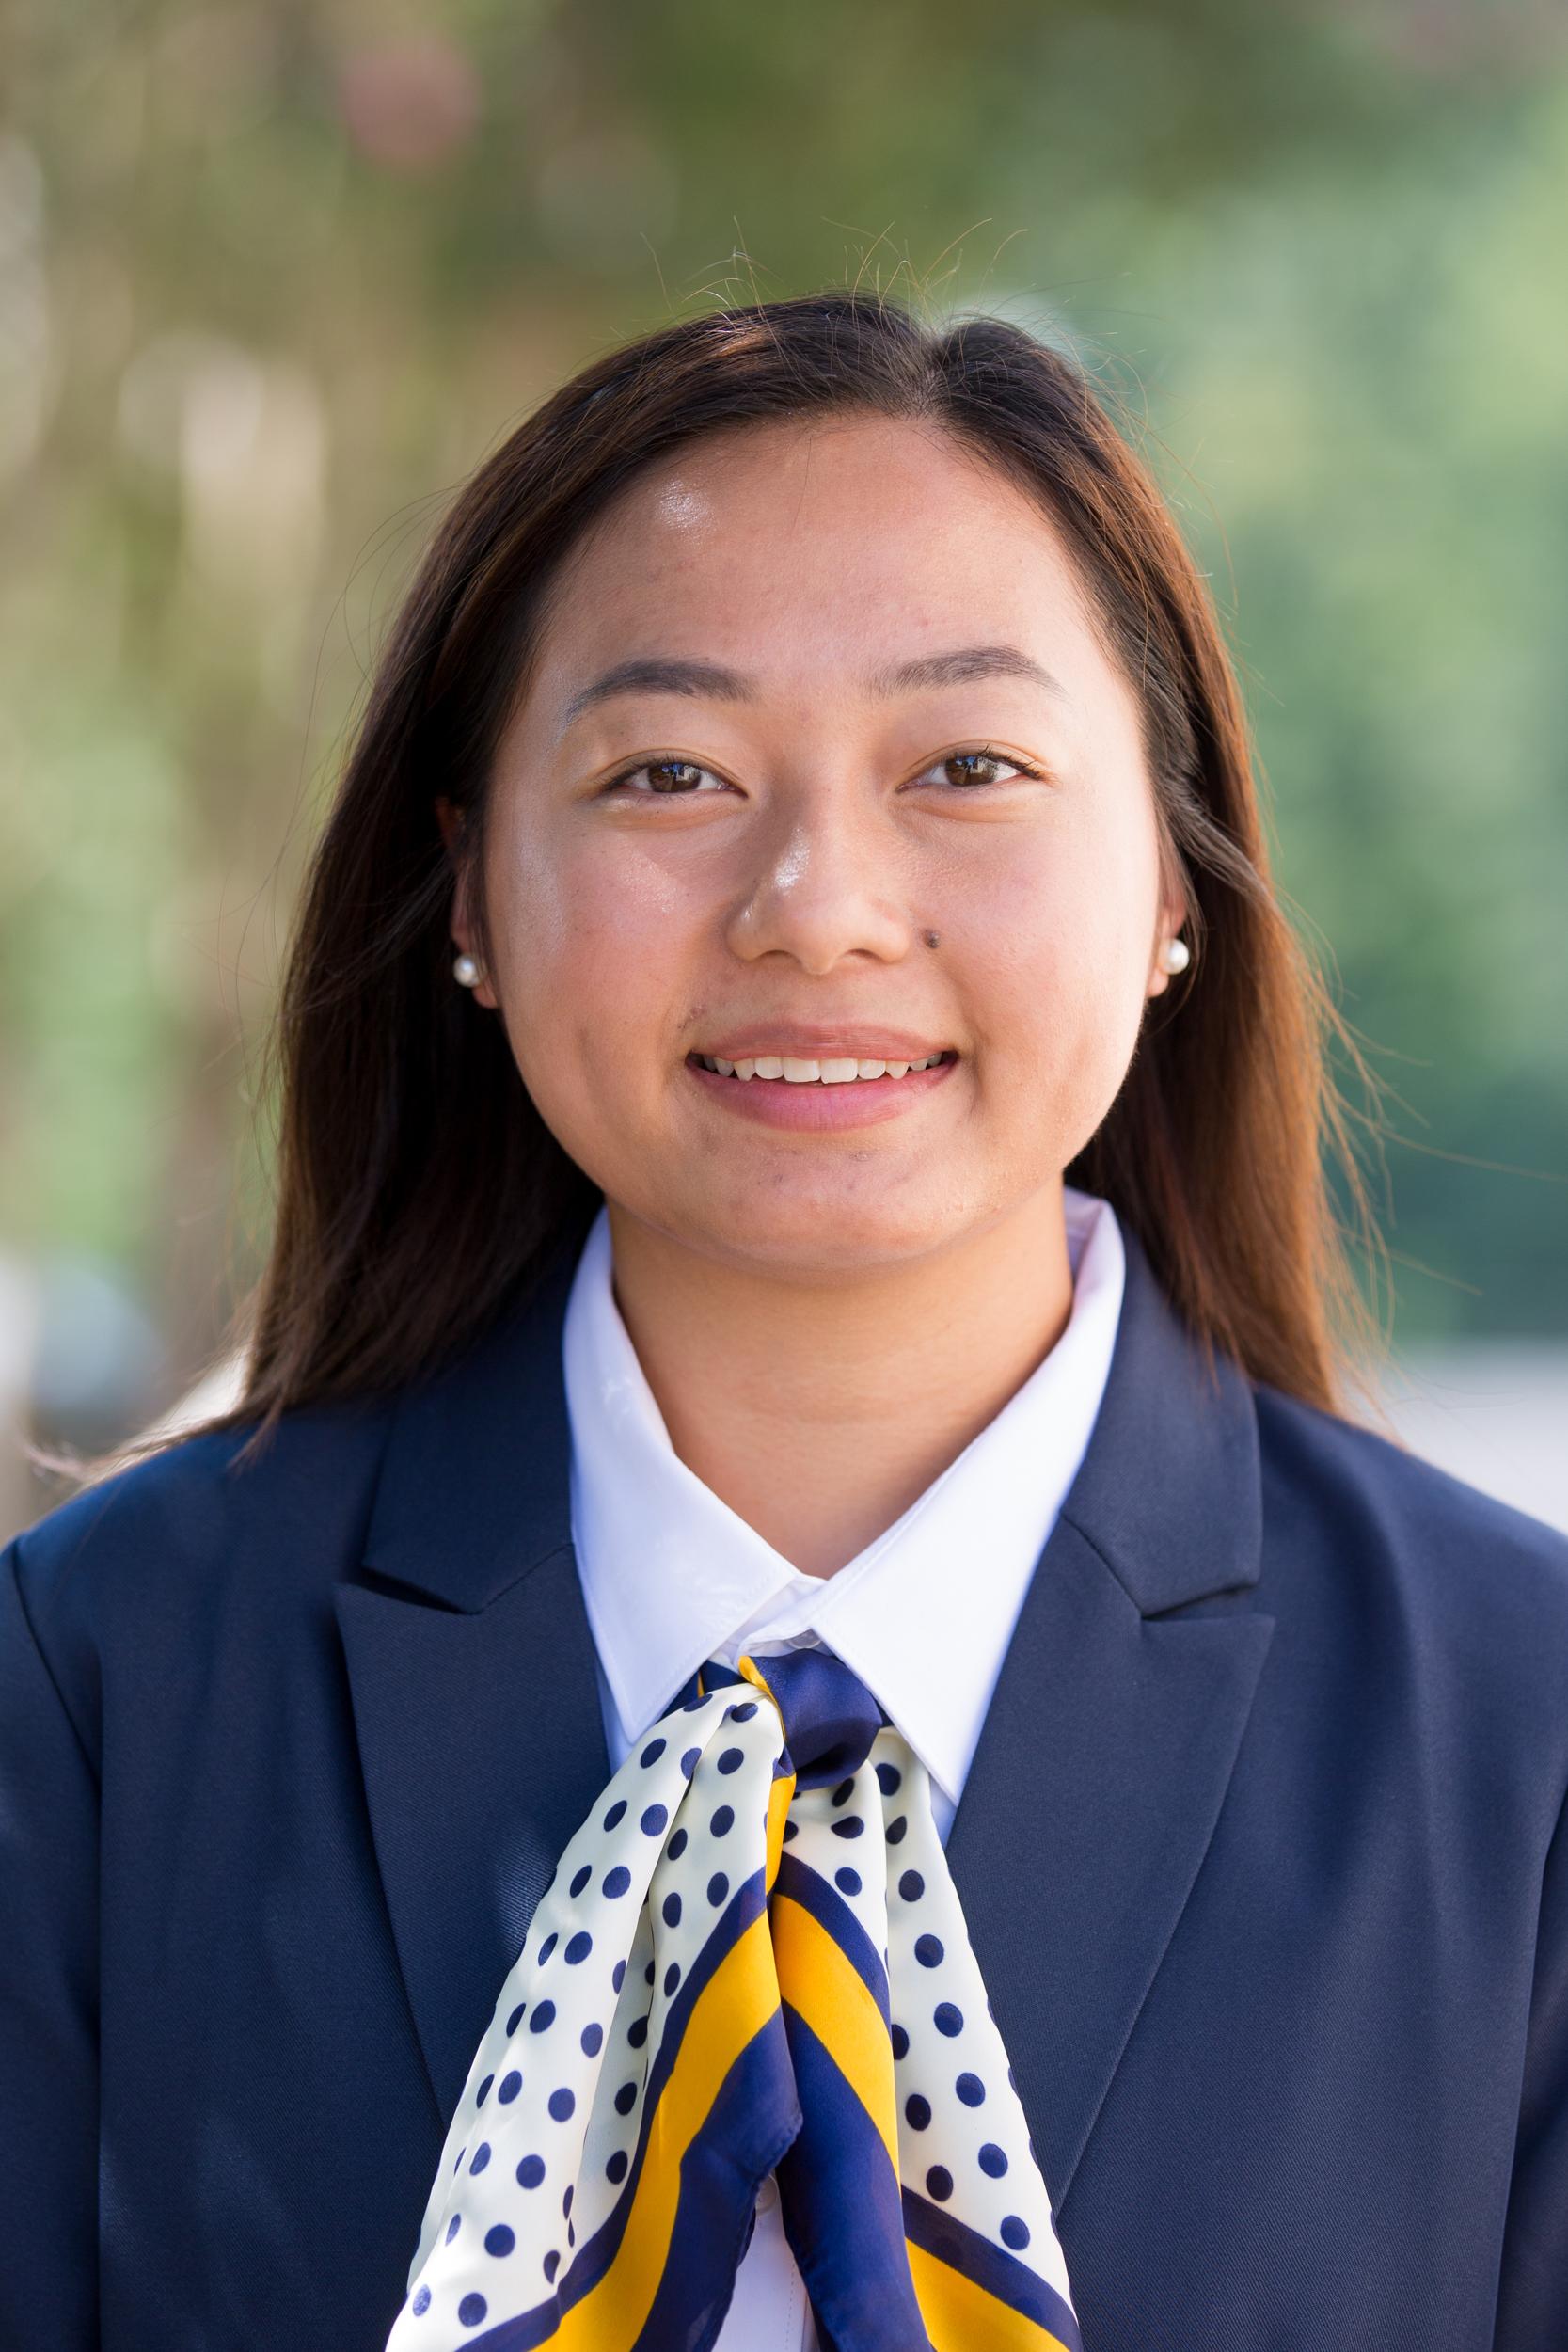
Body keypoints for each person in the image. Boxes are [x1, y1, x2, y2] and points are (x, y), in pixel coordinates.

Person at [2, 291, 1564, 2352]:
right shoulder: (100, 1690)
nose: (819, 902)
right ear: (467, 891)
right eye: (670, 770)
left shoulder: (1522, 1737)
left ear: (1176, 882)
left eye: (971, 764)